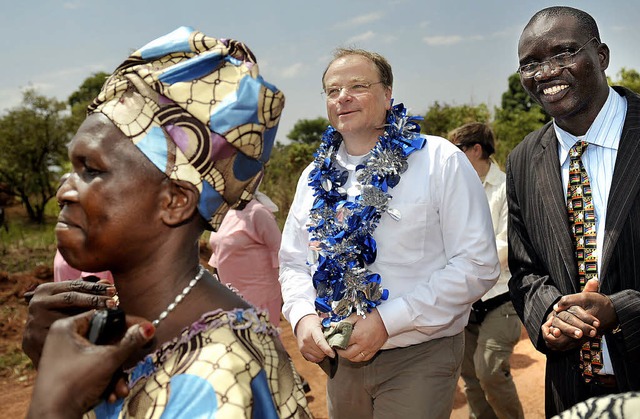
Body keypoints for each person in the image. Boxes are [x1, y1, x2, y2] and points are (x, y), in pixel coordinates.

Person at [22, 26, 310, 418]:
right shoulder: (122, 330)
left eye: (90, 169)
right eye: (71, 168)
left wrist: (53, 403)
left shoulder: (218, 369)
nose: (64, 191)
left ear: (174, 201)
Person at [279, 47, 500, 418]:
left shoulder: (438, 159)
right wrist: (302, 316)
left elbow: (477, 265)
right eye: (332, 91)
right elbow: (293, 262)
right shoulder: (312, 178)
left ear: (387, 94)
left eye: (357, 86)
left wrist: (386, 321)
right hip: (341, 357)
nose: (342, 97)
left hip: (420, 355)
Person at [507, 6, 640, 417]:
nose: (545, 73)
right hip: (573, 391)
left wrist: (622, 310)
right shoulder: (523, 160)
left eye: (563, 54)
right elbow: (526, 271)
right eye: (530, 64)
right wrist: (550, 317)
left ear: (601, 56)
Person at [449, 122, 524, 419]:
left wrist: (460, 265)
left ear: (476, 149)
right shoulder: (454, 190)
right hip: (465, 303)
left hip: (500, 299)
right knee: (471, 380)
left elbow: (506, 247)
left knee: (489, 371)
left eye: (458, 151)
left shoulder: (507, 187)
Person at [208, 190, 283, 326]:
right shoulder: (222, 213)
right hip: (230, 297)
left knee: (261, 342)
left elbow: (279, 251)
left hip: (260, 297)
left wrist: (287, 293)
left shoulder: (257, 212)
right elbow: (217, 254)